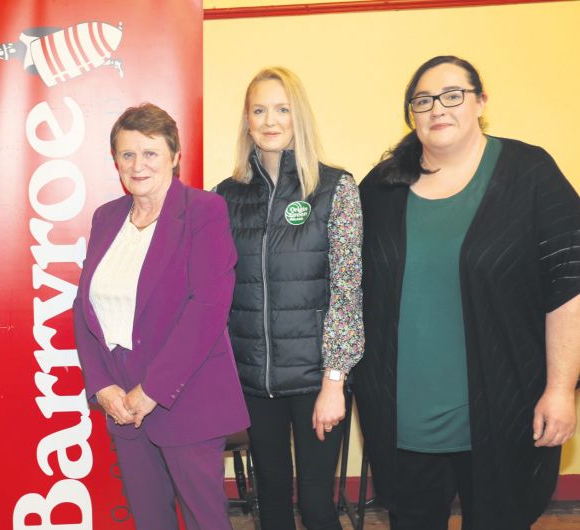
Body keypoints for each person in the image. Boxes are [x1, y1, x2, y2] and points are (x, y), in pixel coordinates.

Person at [354, 55, 580, 530]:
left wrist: (561, 389)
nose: (438, 107)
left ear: (480, 101)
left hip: (503, 413)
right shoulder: (381, 188)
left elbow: (569, 284)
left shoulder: (529, 174)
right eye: (423, 100)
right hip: (402, 421)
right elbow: (348, 286)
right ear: (411, 115)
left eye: (452, 95)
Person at [73, 103, 249, 530]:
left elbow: (206, 310)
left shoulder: (205, 211)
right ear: (115, 162)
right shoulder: (106, 217)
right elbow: (85, 310)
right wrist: (103, 386)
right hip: (123, 404)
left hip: (185, 397)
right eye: (127, 154)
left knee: (205, 520)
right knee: (150, 520)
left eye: (150, 152)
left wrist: (150, 391)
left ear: (175, 155)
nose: (138, 165)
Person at [214, 66, 364, 530]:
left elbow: (347, 289)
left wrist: (334, 381)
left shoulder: (335, 188)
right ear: (246, 120)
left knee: (318, 506)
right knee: (272, 503)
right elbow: (218, 294)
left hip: (317, 381)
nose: (270, 120)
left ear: (298, 116)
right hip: (254, 382)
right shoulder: (225, 195)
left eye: (281, 109)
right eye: (259, 110)